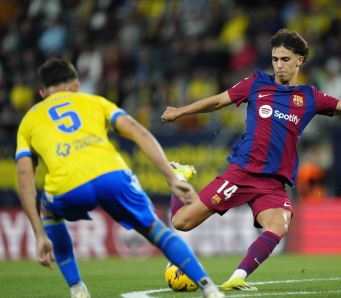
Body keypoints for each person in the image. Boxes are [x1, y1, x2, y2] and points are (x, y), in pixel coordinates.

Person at [161, 28, 341, 291]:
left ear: (300, 60)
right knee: (181, 223)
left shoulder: (310, 97)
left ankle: (238, 276)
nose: (279, 65)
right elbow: (217, 102)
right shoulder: (257, 82)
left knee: (279, 224)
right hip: (242, 173)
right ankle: (179, 177)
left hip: (273, 184)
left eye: (285, 59)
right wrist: (179, 112)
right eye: (275, 59)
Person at [15, 59, 225, 298]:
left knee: (48, 212)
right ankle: (209, 288)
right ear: (76, 86)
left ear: (43, 93)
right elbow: (137, 131)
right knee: (155, 229)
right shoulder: (95, 101)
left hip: (68, 185)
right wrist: (171, 177)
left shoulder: (29, 121)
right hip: (112, 175)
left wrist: (40, 235)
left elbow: (24, 182)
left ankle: (77, 289)